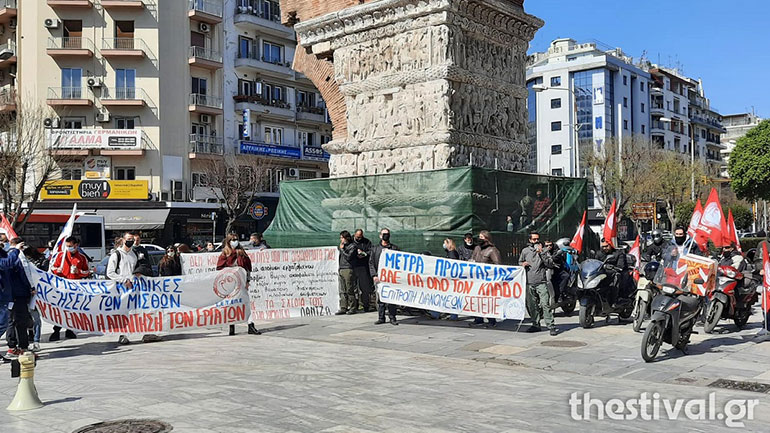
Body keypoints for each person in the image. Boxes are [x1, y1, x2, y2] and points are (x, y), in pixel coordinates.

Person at [217, 234, 260, 336]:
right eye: (232, 240)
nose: (235, 241)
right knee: (231, 304)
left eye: (236, 239)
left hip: (242, 282)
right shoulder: (225, 253)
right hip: (230, 283)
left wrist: (248, 280)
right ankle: (231, 326)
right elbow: (219, 268)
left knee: (246, 303)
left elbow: (247, 267)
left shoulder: (242, 252)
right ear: (228, 241)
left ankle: (250, 325)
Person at [50, 236, 90, 342]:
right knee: (60, 309)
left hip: (75, 288)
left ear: (76, 245)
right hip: (62, 287)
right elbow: (52, 267)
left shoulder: (81, 257)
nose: (68, 248)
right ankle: (56, 330)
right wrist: (57, 270)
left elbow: (87, 272)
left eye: (70, 246)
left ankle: (70, 329)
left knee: (72, 309)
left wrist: (79, 272)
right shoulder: (60, 256)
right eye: (67, 246)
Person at [520, 231, 557, 335]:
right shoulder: (525, 251)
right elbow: (520, 262)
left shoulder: (544, 250)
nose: (536, 241)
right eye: (534, 239)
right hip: (529, 282)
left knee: (545, 304)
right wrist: (523, 264)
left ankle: (551, 326)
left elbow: (550, 264)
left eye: (537, 239)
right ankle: (535, 324)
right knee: (532, 305)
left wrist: (541, 253)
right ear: (530, 240)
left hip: (541, 281)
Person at [107, 232, 141, 345]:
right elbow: (110, 273)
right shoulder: (116, 255)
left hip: (133, 288)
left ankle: (131, 332)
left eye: (132, 239)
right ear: (123, 240)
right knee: (122, 312)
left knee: (132, 311)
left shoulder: (134, 254)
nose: (130, 241)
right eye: (128, 239)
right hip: (120, 288)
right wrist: (123, 280)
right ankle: (122, 334)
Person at [2, 239, 33, 359]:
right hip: (18, 294)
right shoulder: (16, 257)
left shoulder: (6, 256)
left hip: (8, 295)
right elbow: (23, 275)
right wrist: (30, 287)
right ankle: (23, 347)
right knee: (21, 321)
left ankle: (12, 346)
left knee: (10, 321)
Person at [470, 230, 502, 328]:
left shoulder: (492, 250)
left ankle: (491, 320)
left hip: (487, 280)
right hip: (476, 279)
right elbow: (472, 259)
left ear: (487, 239)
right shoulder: (477, 248)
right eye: (479, 236)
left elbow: (498, 265)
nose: (479, 239)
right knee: (476, 300)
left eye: (481, 237)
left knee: (487, 301)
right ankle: (478, 319)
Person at [370, 228, 398, 325]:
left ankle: (392, 317)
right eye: (384, 234)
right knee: (380, 299)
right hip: (379, 277)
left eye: (387, 234)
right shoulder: (375, 249)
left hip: (391, 277)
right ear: (380, 236)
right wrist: (374, 275)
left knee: (391, 298)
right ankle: (381, 317)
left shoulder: (394, 248)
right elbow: (371, 263)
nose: (386, 236)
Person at [595, 237, 629, 307]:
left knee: (617, 276)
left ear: (611, 245)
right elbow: (595, 263)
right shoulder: (599, 253)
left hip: (614, 273)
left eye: (606, 246)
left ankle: (614, 300)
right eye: (603, 246)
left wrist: (612, 267)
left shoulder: (618, 253)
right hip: (602, 273)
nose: (605, 248)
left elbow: (620, 266)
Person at [352, 229, 375, 312]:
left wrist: (364, 253)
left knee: (364, 287)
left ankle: (366, 305)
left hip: (363, 267)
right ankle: (354, 306)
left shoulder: (366, 242)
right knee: (353, 287)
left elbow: (371, 251)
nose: (359, 238)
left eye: (360, 237)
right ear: (354, 235)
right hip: (353, 266)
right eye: (357, 237)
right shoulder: (350, 241)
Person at [337, 230, 359, 315]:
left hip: (348, 268)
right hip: (342, 268)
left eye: (342, 238)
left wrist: (342, 250)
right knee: (342, 290)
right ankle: (343, 307)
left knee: (349, 289)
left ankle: (352, 307)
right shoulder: (343, 246)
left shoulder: (352, 246)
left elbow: (349, 257)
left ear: (346, 238)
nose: (341, 240)